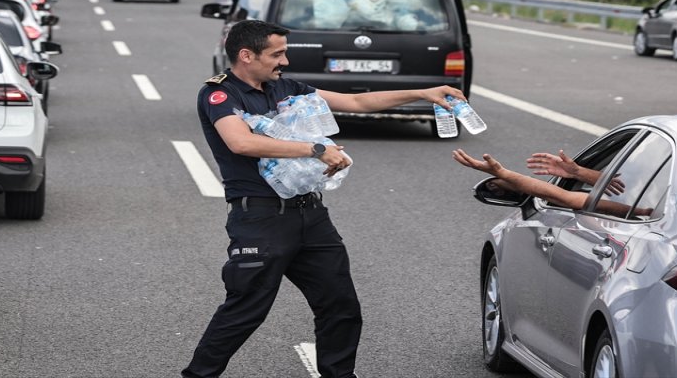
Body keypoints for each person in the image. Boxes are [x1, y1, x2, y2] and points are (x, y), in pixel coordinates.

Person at [184, 20, 465, 378]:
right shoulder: (220, 95)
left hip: (311, 215)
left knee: (341, 307)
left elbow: (355, 101)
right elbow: (241, 142)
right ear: (246, 55)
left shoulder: (287, 87)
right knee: (245, 311)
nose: (284, 61)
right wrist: (315, 149)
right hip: (260, 220)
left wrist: (424, 93)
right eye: (277, 54)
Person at [452, 149, 642, 217]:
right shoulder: (657, 201)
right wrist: (578, 172)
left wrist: (503, 173)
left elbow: (562, 197)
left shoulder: (647, 211)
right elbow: (631, 188)